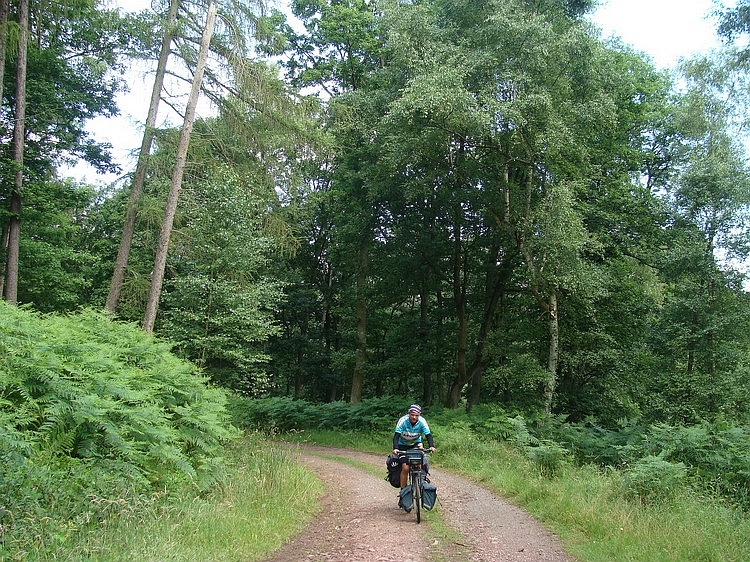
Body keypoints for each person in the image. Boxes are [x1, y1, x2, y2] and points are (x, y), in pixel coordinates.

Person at [392, 404, 436, 491]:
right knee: (405, 468)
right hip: (402, 446)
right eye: (412, 415)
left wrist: (431, 446)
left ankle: (420, 485)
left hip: (415, 444)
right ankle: (403, 492)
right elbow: (396, 436)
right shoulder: (403, 421)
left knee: (418, 464)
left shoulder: (422, 421)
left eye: (416, 415)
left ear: (419, 415)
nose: (414, 417)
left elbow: (428, 435)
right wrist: (395, 448)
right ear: (409, 413)